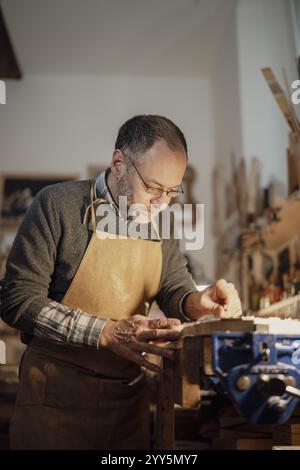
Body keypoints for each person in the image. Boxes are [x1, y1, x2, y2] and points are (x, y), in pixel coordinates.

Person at [0, 115, 242, 450]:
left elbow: (172, 285)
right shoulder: (56, 205)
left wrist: (196, 301)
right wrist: (106, 332)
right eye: (154, 188)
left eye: (172, 191)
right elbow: (17, 300)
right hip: (54, 402)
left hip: (127, 408)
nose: (162, 203)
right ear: (118, 164)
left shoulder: (163, 222)